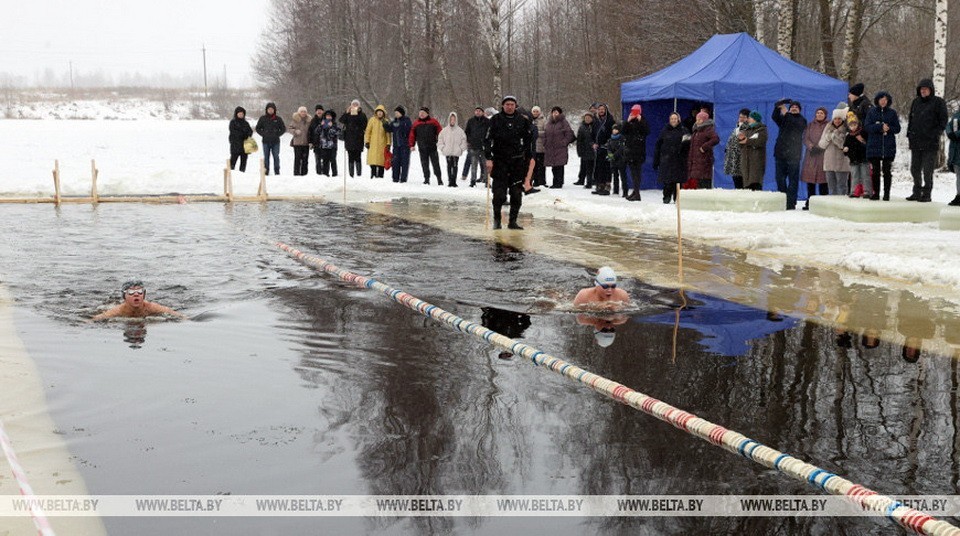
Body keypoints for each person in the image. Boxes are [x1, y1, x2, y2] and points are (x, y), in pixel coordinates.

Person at [484, 95, 535, 230]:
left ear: (515, 105)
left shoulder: (522, 120)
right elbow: (487, 140)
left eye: (512, 104)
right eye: (507, 104)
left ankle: (513, 221)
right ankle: (497, 221)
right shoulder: (495, 120)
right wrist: (488, 158)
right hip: (500, 161)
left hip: (517, 162)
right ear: (503, 106)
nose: (510, 106)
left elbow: (529, 140)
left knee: (516, 194)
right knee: (499, 194)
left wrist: (528, 156)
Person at [906, 78, 948, 202]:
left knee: (927, 170)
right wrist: (909, 134)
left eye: (925, 89)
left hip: (930, 142)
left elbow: (943, 121)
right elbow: (911, 119)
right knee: (914, 169)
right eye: (921, 89)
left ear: (931, 90)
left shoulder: (938, 102)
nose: (923, 91)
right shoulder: (916, 102)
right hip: (915, 141)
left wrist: (935, 134)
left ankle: (927, 193)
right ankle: (917, 191)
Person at [772, 99, 807, 210]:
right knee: (779, 179)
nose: (794, 108)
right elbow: (775, 117)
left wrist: (786, 112)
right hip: (780, 153)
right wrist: (778, 106)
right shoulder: (785, 119)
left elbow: (794, 124)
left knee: (793, 180)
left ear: (800, 110)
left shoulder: (802, 120)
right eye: (792, 106)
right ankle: (783, 200)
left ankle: (791, 202)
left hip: (794, 155)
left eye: (796, 107)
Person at [864, 91, 900, 201]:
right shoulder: (871, 112)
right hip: (874, 146)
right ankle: (876, 193)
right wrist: (879, 127)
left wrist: (888, 128)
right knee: (875, 171)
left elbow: (897, 128)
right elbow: (867, 127)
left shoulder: (892, 113)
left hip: (888, 146)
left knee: (887, 171)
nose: (883, 102)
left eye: (885, 100)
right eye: (881, 99)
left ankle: (887, 193)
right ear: (877, 100)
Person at [91, 281, 185, 321]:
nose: (136, 294)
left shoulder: (151, 307)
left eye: (139, 291)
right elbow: (97, 319)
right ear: (125, 296)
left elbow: (174, 314)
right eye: (131, 292)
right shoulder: (118, 311)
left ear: (144, 295)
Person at [653, 112, 689, 204]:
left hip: (679, 160)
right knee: (667, 181)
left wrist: (682, 150)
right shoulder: (664, 131)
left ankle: (677, 198)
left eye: (675, 119)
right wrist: (656, 160)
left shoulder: (684, 130)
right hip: (666, 160)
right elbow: (658, 145)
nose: (673, 120)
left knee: (678, 181)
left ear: (678, 120)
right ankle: (666, 196)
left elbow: (688, 145)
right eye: (671, 119)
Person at [800, 107, 828, 209]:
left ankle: (823, 203)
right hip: (811, 155)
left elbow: (827, 137)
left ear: (825, 115)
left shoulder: (828, 125)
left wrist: (820, 147)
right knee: (810, 180)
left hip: (823, 154)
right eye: (818, 113)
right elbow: (805, 138)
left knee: (823, 180)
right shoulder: (810, 125)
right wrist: (811, 146)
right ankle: (810, 201)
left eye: (821, 113)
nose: (819, 115)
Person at [819, 104, 850, 195]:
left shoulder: (846, 129)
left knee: (841, 186)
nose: (837, 121)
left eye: (839, 119)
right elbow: (821, 144)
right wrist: (828, 138)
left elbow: (843, 145)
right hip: (829, 162)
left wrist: (834, 136)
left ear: (843, 119)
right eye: (835, 118)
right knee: (831, 187)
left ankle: (842, 205)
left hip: (842, 163)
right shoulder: (828, 127)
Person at [621, 104, 649, 200]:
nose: (634, 113)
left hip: (639, 152)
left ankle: (637, 193)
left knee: (637, 173)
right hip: (630, 151)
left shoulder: (643, 121)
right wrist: (627, 121)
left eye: (636, 111)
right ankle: (635, 191)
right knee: (633, 173)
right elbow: (623, 131)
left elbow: (646, 131)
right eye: (633, 111)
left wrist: (640, 120)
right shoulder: (629, 121)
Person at [542, 106, 575, 189]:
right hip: (550, 148)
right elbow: (545, 133)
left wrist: (564, 142)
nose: (555, 114)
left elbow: (569, 133)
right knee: (553, 166)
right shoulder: (549, 122)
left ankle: (559, 183)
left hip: (560, 148)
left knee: (559, 166)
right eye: (553, 112)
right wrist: (545, 142)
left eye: (556, 112)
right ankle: (555, 182)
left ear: (560, 113)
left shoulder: (563, 122)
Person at [409, 107, 443, 185]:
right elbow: (412, 135)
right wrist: (412, 145)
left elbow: (440, 132)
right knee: (424, 164)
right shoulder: (416, 123)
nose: (421, 114)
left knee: (436, 164)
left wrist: (441, 142)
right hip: (422, 147)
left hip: (432, 147)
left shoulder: (433, 122)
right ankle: (426, 179)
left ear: (427, 114)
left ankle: (439, 179)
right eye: (420, 113)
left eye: (423, 113)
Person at [686, 110, 720, 190]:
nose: (697, 121)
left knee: (704, 184)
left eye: (699, 120)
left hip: (704, 161)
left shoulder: (708, 129)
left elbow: (716, 139)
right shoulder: (696, 130)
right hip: (695, 162)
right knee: (696, 184)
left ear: (704, 120)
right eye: (697, 119)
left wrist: (704, 147)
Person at [738, 111, 767, 191]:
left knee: (755, 183)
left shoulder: (761, 130)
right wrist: (741, 139)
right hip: (746, 161)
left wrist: (747, 141)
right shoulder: (746, 130)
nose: (748, 119)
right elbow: (740, 144)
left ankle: (757, 202)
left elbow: (759, 141)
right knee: (747, 185)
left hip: (756, 161)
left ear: (755, 119)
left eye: (750, 118)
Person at [255, 102, 286, 175]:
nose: (270, 110)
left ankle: (277, 171)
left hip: (276, 142)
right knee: (266, 157)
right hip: (265, 141)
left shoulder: (278, 119)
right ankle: (266, 171)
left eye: (272, 109)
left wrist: (277, 134)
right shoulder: (263, 118)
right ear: (266, 110)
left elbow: (283, 128)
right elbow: (258, 128)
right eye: (269, 109)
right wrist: (263, 134)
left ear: (274, 110)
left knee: (276, 156)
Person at [463, 107, 491, 187]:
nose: (478, 112)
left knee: (486, 165)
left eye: (479, 111)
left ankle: (486, 181)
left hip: (484, 147)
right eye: (476, 111)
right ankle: (473, 181)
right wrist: (469, 141)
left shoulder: (487, 121)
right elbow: (467, 132)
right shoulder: (471, 121)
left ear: (482, 112)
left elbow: (490, 133)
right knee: (473, 164)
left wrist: (487, 143)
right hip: (473, 146)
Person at [437, 111, 467, 187]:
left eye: (454, 120)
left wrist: (461, 149)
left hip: (456, 152)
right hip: (448, 151)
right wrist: (443, 148)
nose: (452, 121)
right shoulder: (444, 130)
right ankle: (450, 180)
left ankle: (454, 181)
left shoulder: (460, 131)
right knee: (449, 166)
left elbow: (464, 141)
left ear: (456, 120)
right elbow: (440, 140)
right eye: (451, 119)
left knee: (455, 166)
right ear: (449, 120)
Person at [339, 99, 368, 178]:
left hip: (359, 138)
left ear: (359, 106)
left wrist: (358, 114)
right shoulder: (348, 114)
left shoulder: (362, 114)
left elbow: (365, 125)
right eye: (353, 104)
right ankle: (351, 173)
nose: (355, 106)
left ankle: (359, 173)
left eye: (356, 104)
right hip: (349, 139)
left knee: (358, 156)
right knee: (350, 156)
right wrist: (346, 112)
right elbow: (341, 120)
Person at [843, 116, 871, 198]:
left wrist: (862, 140)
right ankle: (854, 191)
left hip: (863, 158)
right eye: (851, 125)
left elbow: (868, 145)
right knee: (854, 176)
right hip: (853, 160)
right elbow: (845, 146)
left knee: (865, 175)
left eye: (854, 124)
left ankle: (867, 191)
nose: (853, 127)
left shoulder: (863, 133)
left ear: (858, 124)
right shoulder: (848, 136)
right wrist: (845, 150)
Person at [723, 109, 750, 189]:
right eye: (740, 117)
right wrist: (728, 149)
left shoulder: (748, 129)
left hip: (743, 161)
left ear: (748, 118)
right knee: (737, 184)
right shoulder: (736, 128)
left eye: (743, 117)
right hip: (735, 161)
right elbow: (732, 141)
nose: (741, 119)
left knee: (743, 186)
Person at [592, 103, 615, 194]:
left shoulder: (610, 120)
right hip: (598, 148)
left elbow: (613, 133)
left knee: (607, 167)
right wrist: (593, 143)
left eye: (603, 109)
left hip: (607, 147)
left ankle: (607, 186)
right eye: (599, 109)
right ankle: (600, 185)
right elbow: (593, 134)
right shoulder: (596, 121)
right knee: (598, 167)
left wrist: (609, 143)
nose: (601, 111)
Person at [385, 106, 412, 183]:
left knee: (404, 162)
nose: (396, 114)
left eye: (397, 113)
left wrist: (401, 125)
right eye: (395, 113)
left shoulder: (407, 120)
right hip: (396, 146)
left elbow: (408, 130)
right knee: (395, 162)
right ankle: (395, 178)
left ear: (401, 113)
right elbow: (389, 129)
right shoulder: (394, 122)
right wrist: (385, 125)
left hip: (405, 146)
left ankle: (403, 179)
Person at [364, 105, 391, 178]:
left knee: (381, 162)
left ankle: (380, 176)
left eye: (381, 112)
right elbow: (368, 132)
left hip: (383, 144)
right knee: (373, 161)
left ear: (383, 113)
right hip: (373, 144)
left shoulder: (385, 121)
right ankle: (373, 175)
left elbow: (388, 134)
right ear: (376, 112)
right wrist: (367, 141)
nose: (379, 113)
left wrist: (388, 143)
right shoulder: (372, 120)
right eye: (378, 112)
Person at [602, 123, 626, 197]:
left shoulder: (622, 139)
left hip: (621, 159)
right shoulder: (610, 139)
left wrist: (614, 155)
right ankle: (616, 191)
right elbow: (608, 148)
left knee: (623, 176)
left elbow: (621, 149)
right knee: (615, 176)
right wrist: (610, 155)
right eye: (613, 129)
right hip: (613, 160)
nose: (614, 131)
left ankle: (625, 191)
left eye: (616, 129)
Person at [573, 113, 596, 187]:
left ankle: (591, 181)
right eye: (586, 118)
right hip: (585, 150)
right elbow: (579, 140)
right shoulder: (582, 127)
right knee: (584, 166)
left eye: (589, 118)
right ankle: (581, 180)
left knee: (592, 167)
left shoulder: (595, 126)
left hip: (593, 149)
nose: (587, 119)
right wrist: (579, 151)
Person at [228, 106, 253, 172]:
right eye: (239, 114)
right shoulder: (233, 122)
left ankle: (242, 174)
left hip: (245, 145)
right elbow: (233, 132)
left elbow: (250, 131)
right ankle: (230, 174)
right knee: (232, 162)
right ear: (236, 114)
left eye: (242, 114)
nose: (241, 115)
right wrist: (242, 134)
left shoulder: (246, 123)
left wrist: (247, 135)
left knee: (243, 163)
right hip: (235, 145)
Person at [288, 106, 311, 176]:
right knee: (297, 159)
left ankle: (304, 174)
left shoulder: (309, 120)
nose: (303, 113)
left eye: (304, 111)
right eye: (302, 111)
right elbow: (289, 129)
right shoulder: (295, 120)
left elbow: (312, 130)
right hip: (297, 143)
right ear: (299, 112)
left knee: (305, 160)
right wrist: (295, 131)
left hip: (306, 143)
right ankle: (296, 174)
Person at [316, 110, 340, 176]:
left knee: (333, 160)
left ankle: (334, 174)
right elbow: (317, 132)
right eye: (327, 116)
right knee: (325, 161)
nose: (328, 117)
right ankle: (325, 174)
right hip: (324, 145)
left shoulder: (335, 124)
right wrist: (321, 125)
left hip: (332, 146)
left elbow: (338, 133)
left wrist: (332, 127)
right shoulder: (322, 123)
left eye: (330, 116)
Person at [946, 106, 960, 206]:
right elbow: (949, 125)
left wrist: (957, 134)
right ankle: (959, 195)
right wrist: (950, 133)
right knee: (958, 173)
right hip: (955, 149)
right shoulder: (956, 114)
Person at [530, 106, 547, 187]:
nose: (535, 113)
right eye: (534, 111)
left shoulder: (543, 120)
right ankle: (535, 181)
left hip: (541, 146)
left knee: (541, 166)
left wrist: (536, 133)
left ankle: (542, 181)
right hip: (532, 147)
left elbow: (546, 132)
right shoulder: (530, 120)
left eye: (537, 111)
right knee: (533, 166)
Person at [307, 105, 326, 175]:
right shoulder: (313, 120)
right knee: (317, 159)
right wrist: (310, 142)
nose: (319, 111)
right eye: (317, 110)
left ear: (323, 111)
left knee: (325, 160)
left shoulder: (326, 119)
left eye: (320, 110)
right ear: (315, 112)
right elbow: (310, 132)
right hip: (316, 143)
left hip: (325, 143)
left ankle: (325, 173)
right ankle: (318, 174)